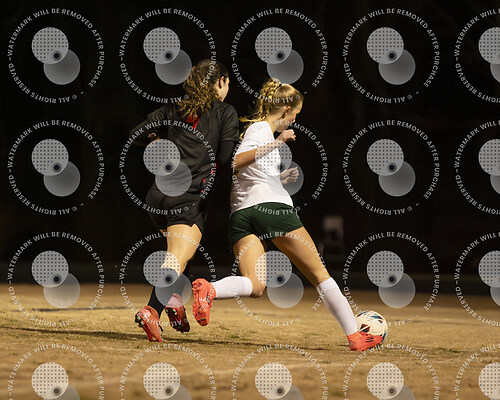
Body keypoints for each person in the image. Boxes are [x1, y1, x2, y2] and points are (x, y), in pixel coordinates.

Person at [191, 78, 383, 351]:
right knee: (320, 274)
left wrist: (279, 177)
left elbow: (249, 174)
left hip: (242, 216)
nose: (294, 119)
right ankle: (356, 336)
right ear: (286, 110)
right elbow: (236, 161)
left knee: (256, 286)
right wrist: (277, 143)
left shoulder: (260, 133)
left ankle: (210, 289)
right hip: (272, 211)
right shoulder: (261, 129)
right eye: (295, 113)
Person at [129, 60, 240, 342]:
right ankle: (151, 310)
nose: (227, 88)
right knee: (176, 258)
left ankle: (175, 300)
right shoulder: (225, 112)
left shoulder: (175, 108)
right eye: (227, 83)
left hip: (157, 196)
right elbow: (225, 157)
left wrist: (154, 140)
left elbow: (135, 134)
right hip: (188, 197)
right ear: (220, 82)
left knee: (181, 253)